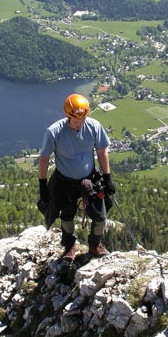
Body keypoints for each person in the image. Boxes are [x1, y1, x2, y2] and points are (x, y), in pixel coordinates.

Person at [38, 93, 116, 260]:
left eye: (83, 119)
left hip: (90, 178)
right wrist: (42, 185)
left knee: (100, 216)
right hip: (64, 181)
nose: (80, 123)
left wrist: (107, 177)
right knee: (67, 215)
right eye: (76, 120)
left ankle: (95, 245)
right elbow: (44, 159)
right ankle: (69, 245)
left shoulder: (94, 126)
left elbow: (102, 152)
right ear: (68, 115)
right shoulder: (54, 132)